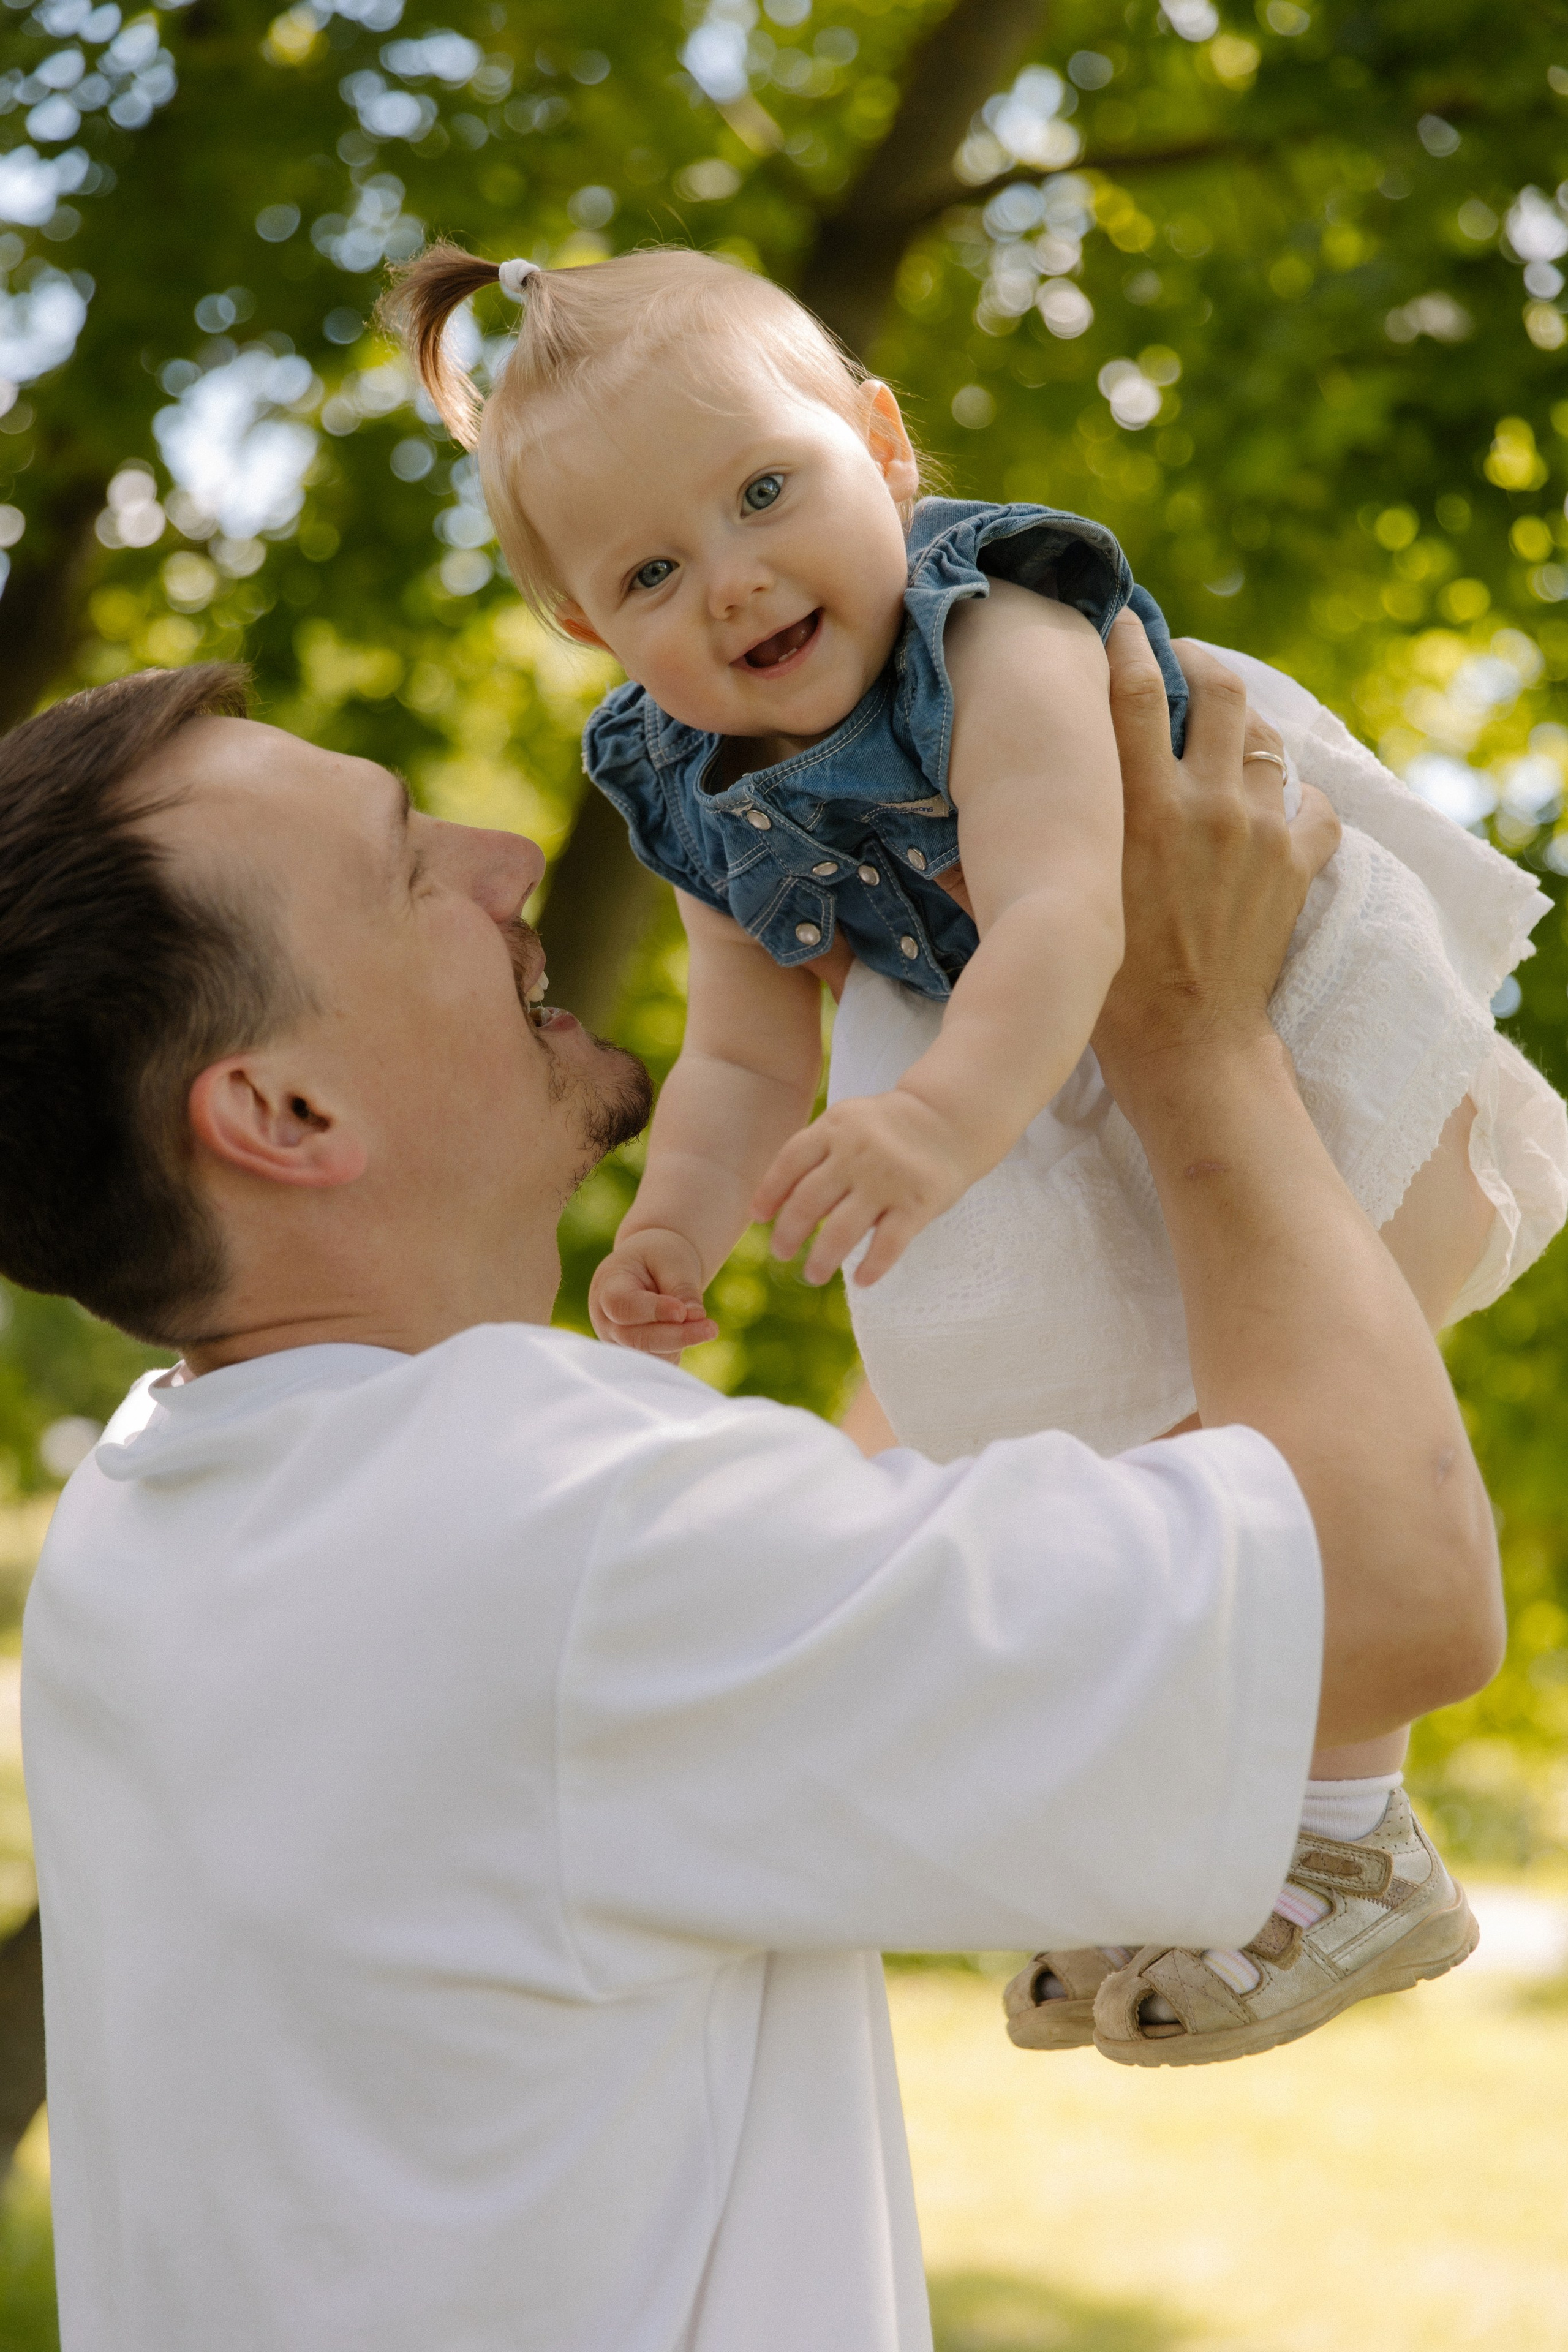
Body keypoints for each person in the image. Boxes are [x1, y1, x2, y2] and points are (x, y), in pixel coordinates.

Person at [8, 633, 1501, 2352]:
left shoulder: (156, 1509)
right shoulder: (557, 1541)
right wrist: (1186, 1028)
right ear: (281, 1108)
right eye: (410, 866)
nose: (509, 862)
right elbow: (1391, 1592)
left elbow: (839, 1582)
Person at [385, 240, 1566, 2064]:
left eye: (766, 489)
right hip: (1052, 1070)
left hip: (1258, 990)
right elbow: (740, 1044)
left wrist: (934, 1120)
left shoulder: (997, 627)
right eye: (651, 573)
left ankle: (1348, 1846)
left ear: (881, 441)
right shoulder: (686, 780)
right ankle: (1210, 1838)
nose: (739, 578)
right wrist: (678, 1226)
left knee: (1276, 1417)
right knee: (1089, 1428)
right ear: (586, 635)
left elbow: (1062, 909)